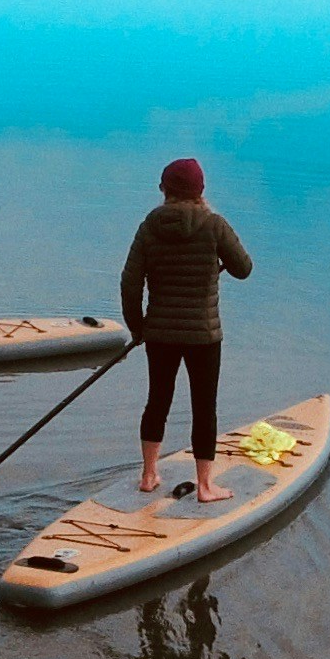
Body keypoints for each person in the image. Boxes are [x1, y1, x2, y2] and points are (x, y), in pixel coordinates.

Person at [121, 156, 253, 499]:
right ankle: (206, 486)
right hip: (203, 336)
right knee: (203, 406)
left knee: (158, 401)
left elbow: (130, 283)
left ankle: (149, 475)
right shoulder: (214, 225)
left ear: (165, 190)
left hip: (160, 334)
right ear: (200, 191)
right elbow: (244, 268)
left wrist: (137, 328)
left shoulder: (149, 227)